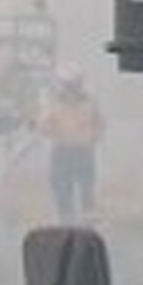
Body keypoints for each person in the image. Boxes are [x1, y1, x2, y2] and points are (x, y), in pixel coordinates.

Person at [42, 71, 103, 222]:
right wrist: (54, 133)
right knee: (61, 184)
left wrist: (92, 138)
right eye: (68, 85)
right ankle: (65, 215)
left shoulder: (90, 103)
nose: (71, 89)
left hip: (83, 150)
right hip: (62, 150)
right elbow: (44, 124)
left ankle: (88, 213)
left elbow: (99, 124)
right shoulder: (54, 104)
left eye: (74, 85)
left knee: (86, 184)